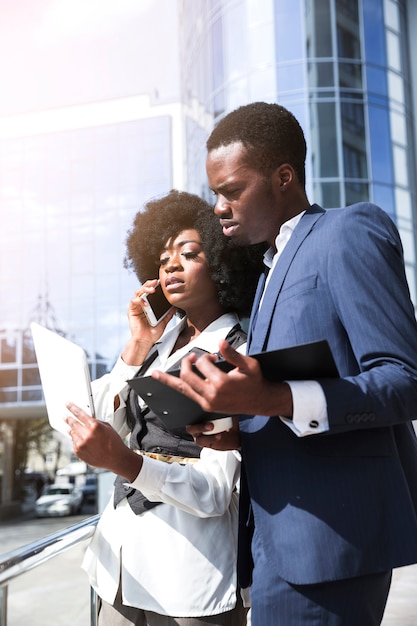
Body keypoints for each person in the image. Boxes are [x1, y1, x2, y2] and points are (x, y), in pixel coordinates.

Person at [152, 103, 417, 626]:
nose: (219, 208)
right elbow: (290, 402)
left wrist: (273, 399)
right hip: (275, 545)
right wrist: (242, 428)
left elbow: (404, 379)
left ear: (283, 176)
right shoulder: (271, 270)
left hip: (330, 545)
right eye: (215, 195)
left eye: (230, 191)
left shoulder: (347, 232)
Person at [64, 189, 264, 626]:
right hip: (117, 565)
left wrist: (128, 464)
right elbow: (96, 423)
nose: (171, 264)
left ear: (222, 263)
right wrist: (136, 344)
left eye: (189, 254)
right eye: (163, 258)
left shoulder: (236, 354)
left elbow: (214, 493)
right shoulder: (158, 346)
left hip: (187, 575)